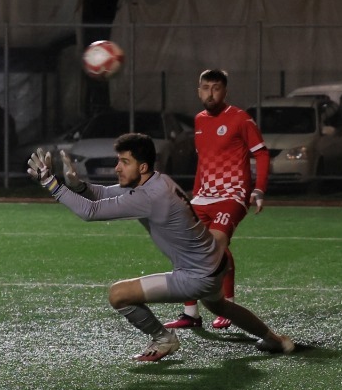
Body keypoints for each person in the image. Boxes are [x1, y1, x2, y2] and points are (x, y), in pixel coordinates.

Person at [26, 133, 296, 362]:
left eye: (124, 162)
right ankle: (274, 339)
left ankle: (163, 338)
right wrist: (78, 185)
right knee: (221, 307)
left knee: (119, 295)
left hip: (197, 276)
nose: (118, 167)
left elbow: (90, 212)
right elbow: (104, 195)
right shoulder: (158, 181)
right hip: (216, 262)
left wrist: (51, 185)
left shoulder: (149, 197)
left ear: (142, 167)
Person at [163, 69, 270, 332]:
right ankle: (190, 313)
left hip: (232, 195)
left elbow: (262, 154)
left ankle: (227, 307)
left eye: (216, 88)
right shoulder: (199, 120)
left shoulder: (240, 119)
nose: (211, 93)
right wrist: (194, 194)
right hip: (203, 196)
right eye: (206, 87)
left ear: (225, 91)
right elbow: (204, 162)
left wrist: (259, 190)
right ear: (198, 90)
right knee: (184, 246)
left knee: (214, 247)